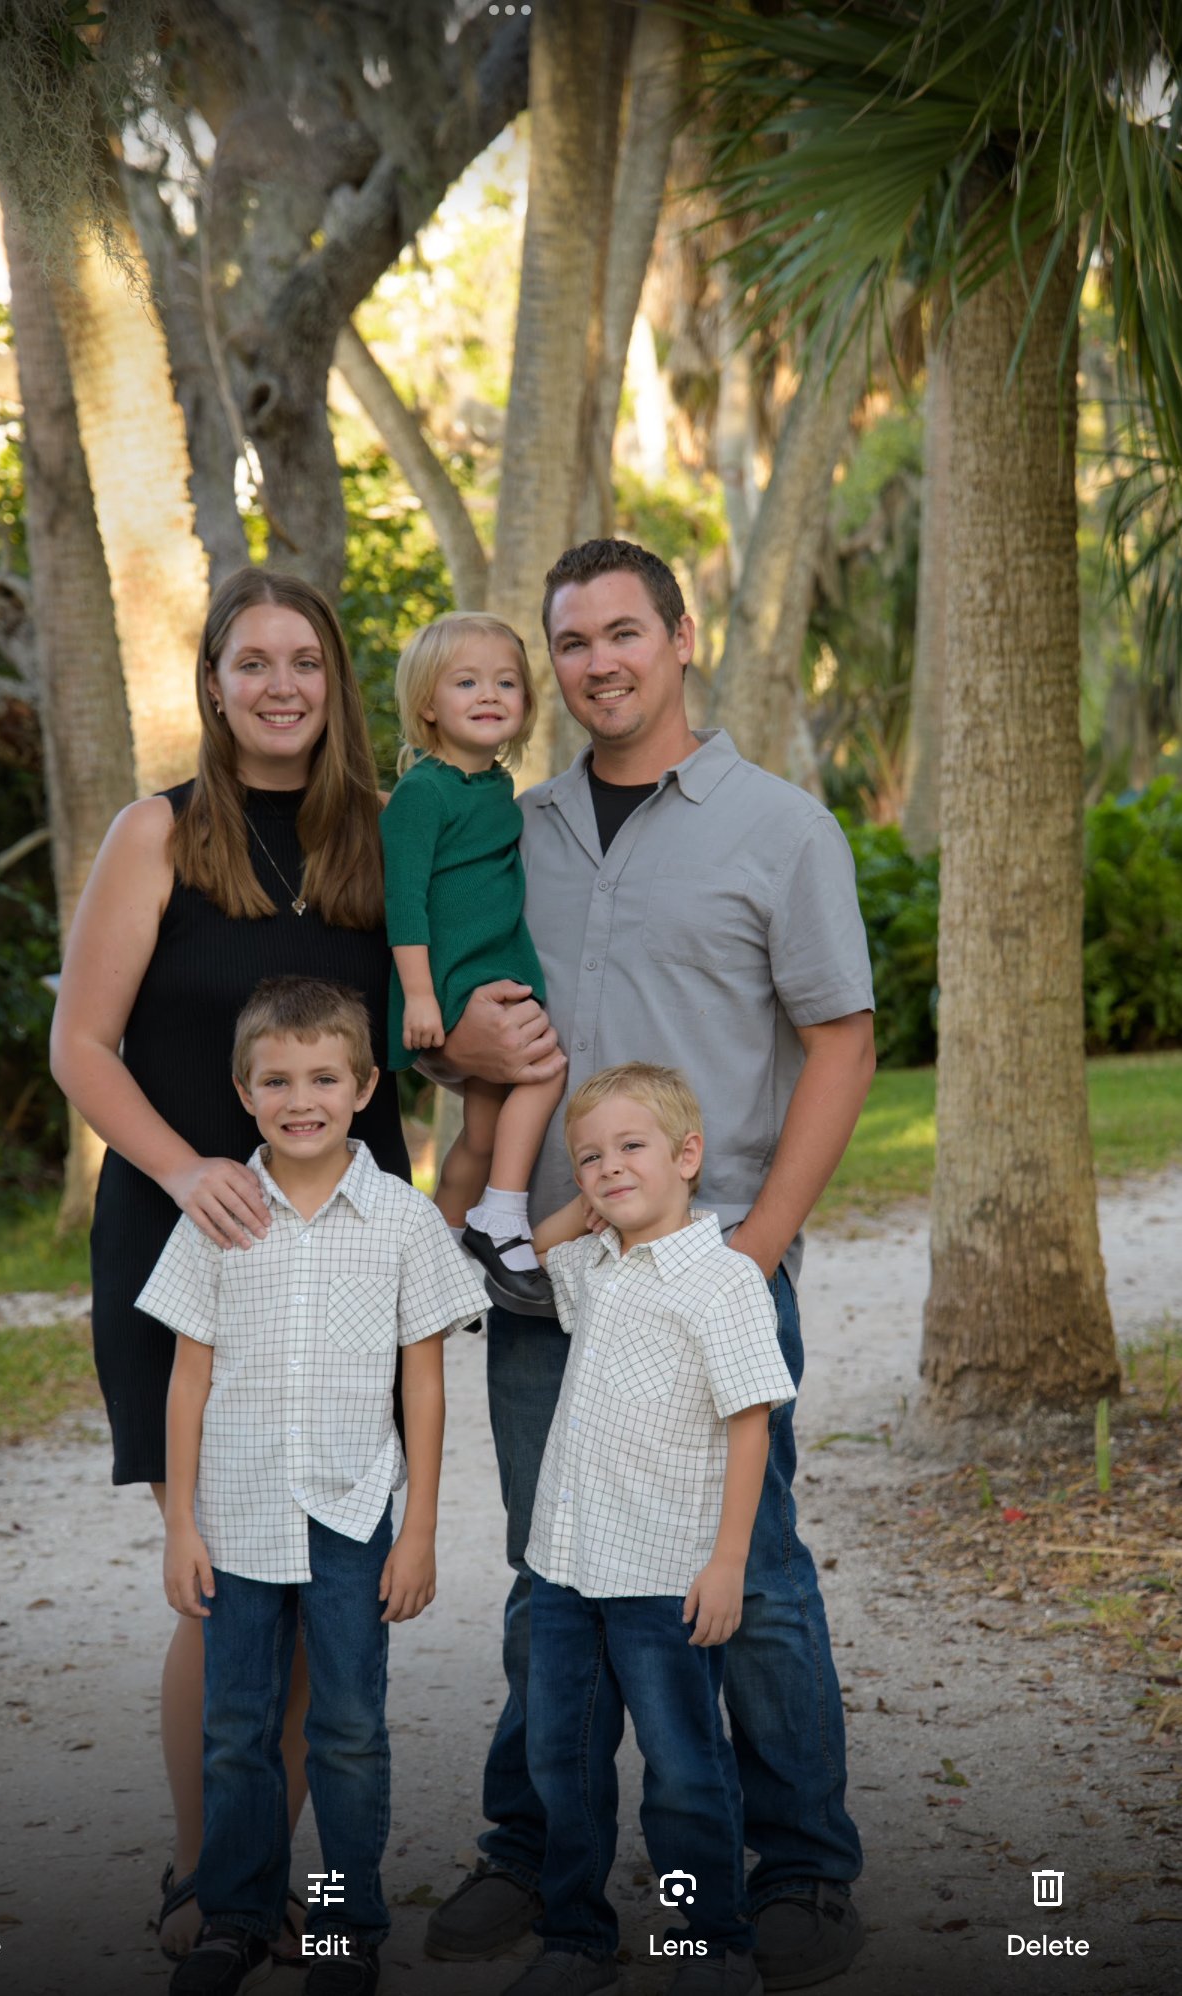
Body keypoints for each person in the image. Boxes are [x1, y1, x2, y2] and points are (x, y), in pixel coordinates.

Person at [424, 539, 876, 1990]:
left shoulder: (778, 829)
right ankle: (528, 1849)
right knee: (546, 1567)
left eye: (624, 632)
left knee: (742, 1566)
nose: (596, 662)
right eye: (570, 642)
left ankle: (799, 1865)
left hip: (704, 1276)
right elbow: (470, 1035)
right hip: (543, 1275)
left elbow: (839, 1040)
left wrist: (748, 1252)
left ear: (680, 639)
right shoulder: (513, 828)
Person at [50, 567, 410, 1959]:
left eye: (303, 664)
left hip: (336, 1258)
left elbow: (418, 1035)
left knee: (323, 1582)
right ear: (212, 685)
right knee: (221, 1574)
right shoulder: (157, 835)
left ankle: (292, 1882)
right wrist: (185, 1168)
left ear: (334, 683)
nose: (278, 687)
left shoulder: (381, 842)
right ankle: (208, 1879)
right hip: (183, 1240)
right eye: (251, 663)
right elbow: (81, 1045)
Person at [139, 976, 485, 1996]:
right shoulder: (218, 1213)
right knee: (238, 1725)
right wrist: (180, 1527)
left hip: (349, 1515)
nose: (302, 1097)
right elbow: (187, 1377)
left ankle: (345, 1926)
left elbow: (421, 1382)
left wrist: (416, 1529)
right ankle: (235, 1918)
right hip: (238, 1518)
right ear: (244, 1093)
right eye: (277, 1079)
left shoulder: (402, 1221)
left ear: (364, 1084)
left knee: (344, 1727)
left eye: (324, 1076)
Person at [504, 1062, 796, 1996]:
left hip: (664, 1574)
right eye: (587, 1156)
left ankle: (707, 1939)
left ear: (688, 1155)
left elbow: (752, 1423)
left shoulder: (723, 1281)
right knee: (561, 1758)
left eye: (631, 1147)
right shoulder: (593, 1265)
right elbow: (531, 1255)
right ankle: (574, 1938)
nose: (606, 1166)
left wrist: (726, 1562)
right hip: (564, 1566)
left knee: (681, 1768)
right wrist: (580, 1210)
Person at [380, 612, 565, 1311]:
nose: (489, 694)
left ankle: (438, 1260)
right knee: (545, 1068)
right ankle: (501, 1215)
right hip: (454, 977)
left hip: (489, 964)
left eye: (505, 682)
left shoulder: (494, 790)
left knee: (482, 1133)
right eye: (466, 682)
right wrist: (421, 996)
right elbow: (403, 900)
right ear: (428, 704)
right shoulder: (421, 793)